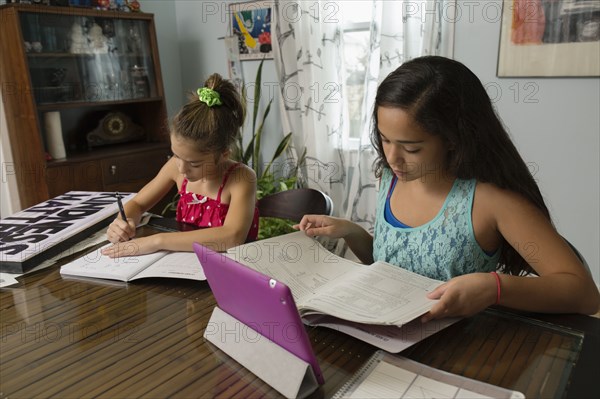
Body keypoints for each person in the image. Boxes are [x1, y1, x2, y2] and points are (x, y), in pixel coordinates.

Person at [295, 56, 599, 321]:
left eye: (411, 148)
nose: (392, 158)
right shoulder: (391, 178)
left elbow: (583, 293)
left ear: (454, 138)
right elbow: (389, 264)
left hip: (463, 348)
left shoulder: (491, 199)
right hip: (392, 336)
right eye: (385, 139)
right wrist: (351, 231)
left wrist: (495, 287)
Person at [103, 73, 259, 257]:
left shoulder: (241, 178)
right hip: (186, 264)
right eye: (176, 155)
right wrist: (123, 220)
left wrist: (157, 241)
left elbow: (232, 236)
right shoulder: (175, 167)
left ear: (224, 153)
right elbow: (137, 203)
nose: (182, 169)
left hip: (230, 269)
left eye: (194, 163)